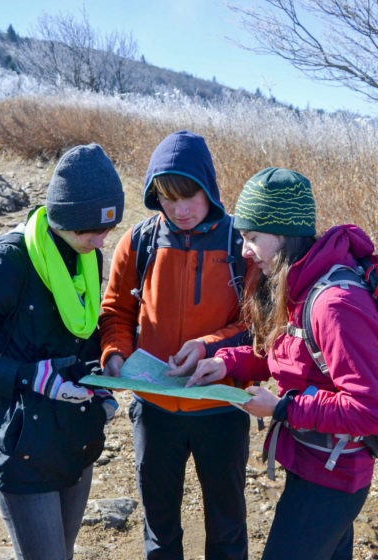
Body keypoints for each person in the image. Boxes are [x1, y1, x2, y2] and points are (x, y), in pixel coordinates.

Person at [0, 143, 124, 560]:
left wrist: (102, 379)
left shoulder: (87, 255)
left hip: (76, 436)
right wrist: (29, 377)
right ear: (64, 216)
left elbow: (81, 331)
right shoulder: (7, 264)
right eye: (93, 229)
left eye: (109, 228)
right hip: (20, 445)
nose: (103, 238)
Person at [183, 167, 378, 560]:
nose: (245, 250)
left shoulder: (335, 305)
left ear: (283, 234)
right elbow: (292, 356)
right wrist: (226, 361)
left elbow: (373, 410)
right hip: (314, 462)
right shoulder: (300, 282)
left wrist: (282, 407)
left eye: (252, 238)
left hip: (333, 480)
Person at [99, 130, 252, 560]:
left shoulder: (239, 244)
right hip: (154, 409)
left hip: (221, 408)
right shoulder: (140, 241)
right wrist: (114, 354)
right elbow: (115, 314)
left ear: (210, 190)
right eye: (168, 198)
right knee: (159, 526)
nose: (180, 210)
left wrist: (207, 346)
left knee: (226, 525)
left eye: (190, 197)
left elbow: (256, 327)